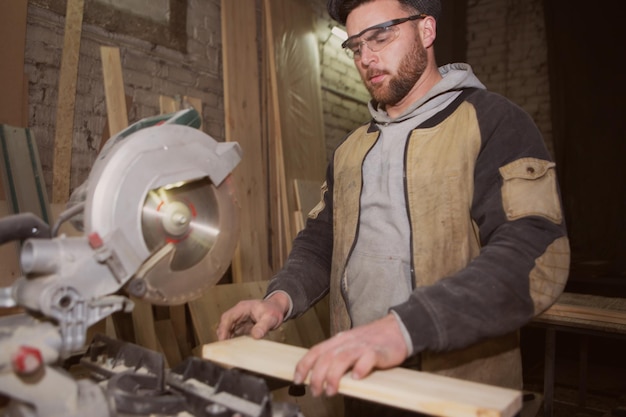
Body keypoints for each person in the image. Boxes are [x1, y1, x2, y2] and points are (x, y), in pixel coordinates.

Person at [217, 0, 570, 415]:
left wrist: (404, 328)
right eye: (355, 46)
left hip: (457, 390)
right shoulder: (350, 150)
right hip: (358, 376)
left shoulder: (492, 122)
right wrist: (278, 300)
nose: (366, 58)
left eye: (381, 36)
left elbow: (533, 253)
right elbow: (321, 241)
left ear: (426, 31)